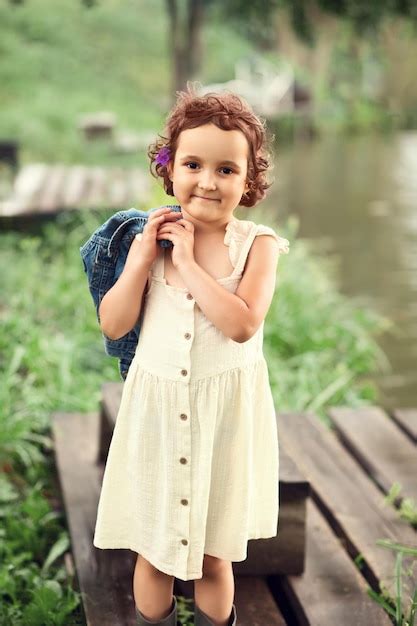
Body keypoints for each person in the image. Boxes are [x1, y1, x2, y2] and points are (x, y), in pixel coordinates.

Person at [93, 83, 290, 626]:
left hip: (221, 419)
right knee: (152, 553)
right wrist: (139, 260)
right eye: (193, 164)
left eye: (226, 170)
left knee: (212, 554)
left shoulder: (258, 245)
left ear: (248, 179)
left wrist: (188, 262)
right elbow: (113, 323)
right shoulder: (148, 238)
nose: (207, 181)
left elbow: (242, 323)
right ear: (169, 168)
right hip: (156, 416)